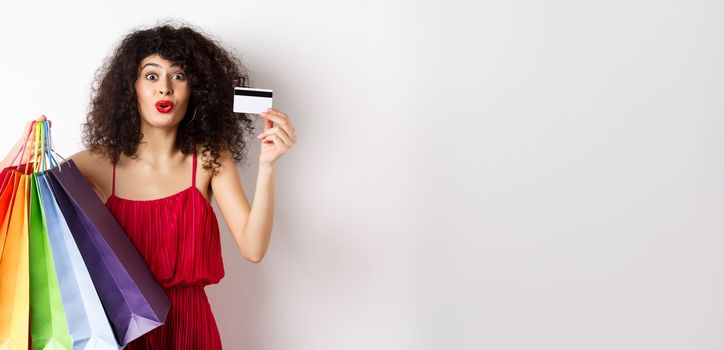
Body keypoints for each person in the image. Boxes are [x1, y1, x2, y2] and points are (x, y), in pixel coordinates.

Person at [0, 22, 297, 349]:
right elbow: (16, 210)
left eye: (179, 76)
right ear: (132, 88)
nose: (165, 89)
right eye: (152, 76)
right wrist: (20, 152)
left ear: (195, 89)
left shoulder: (211, 159)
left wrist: (268, 166)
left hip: (192, 331)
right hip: (127, 329)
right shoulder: (97, 164)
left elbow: (253, 249)